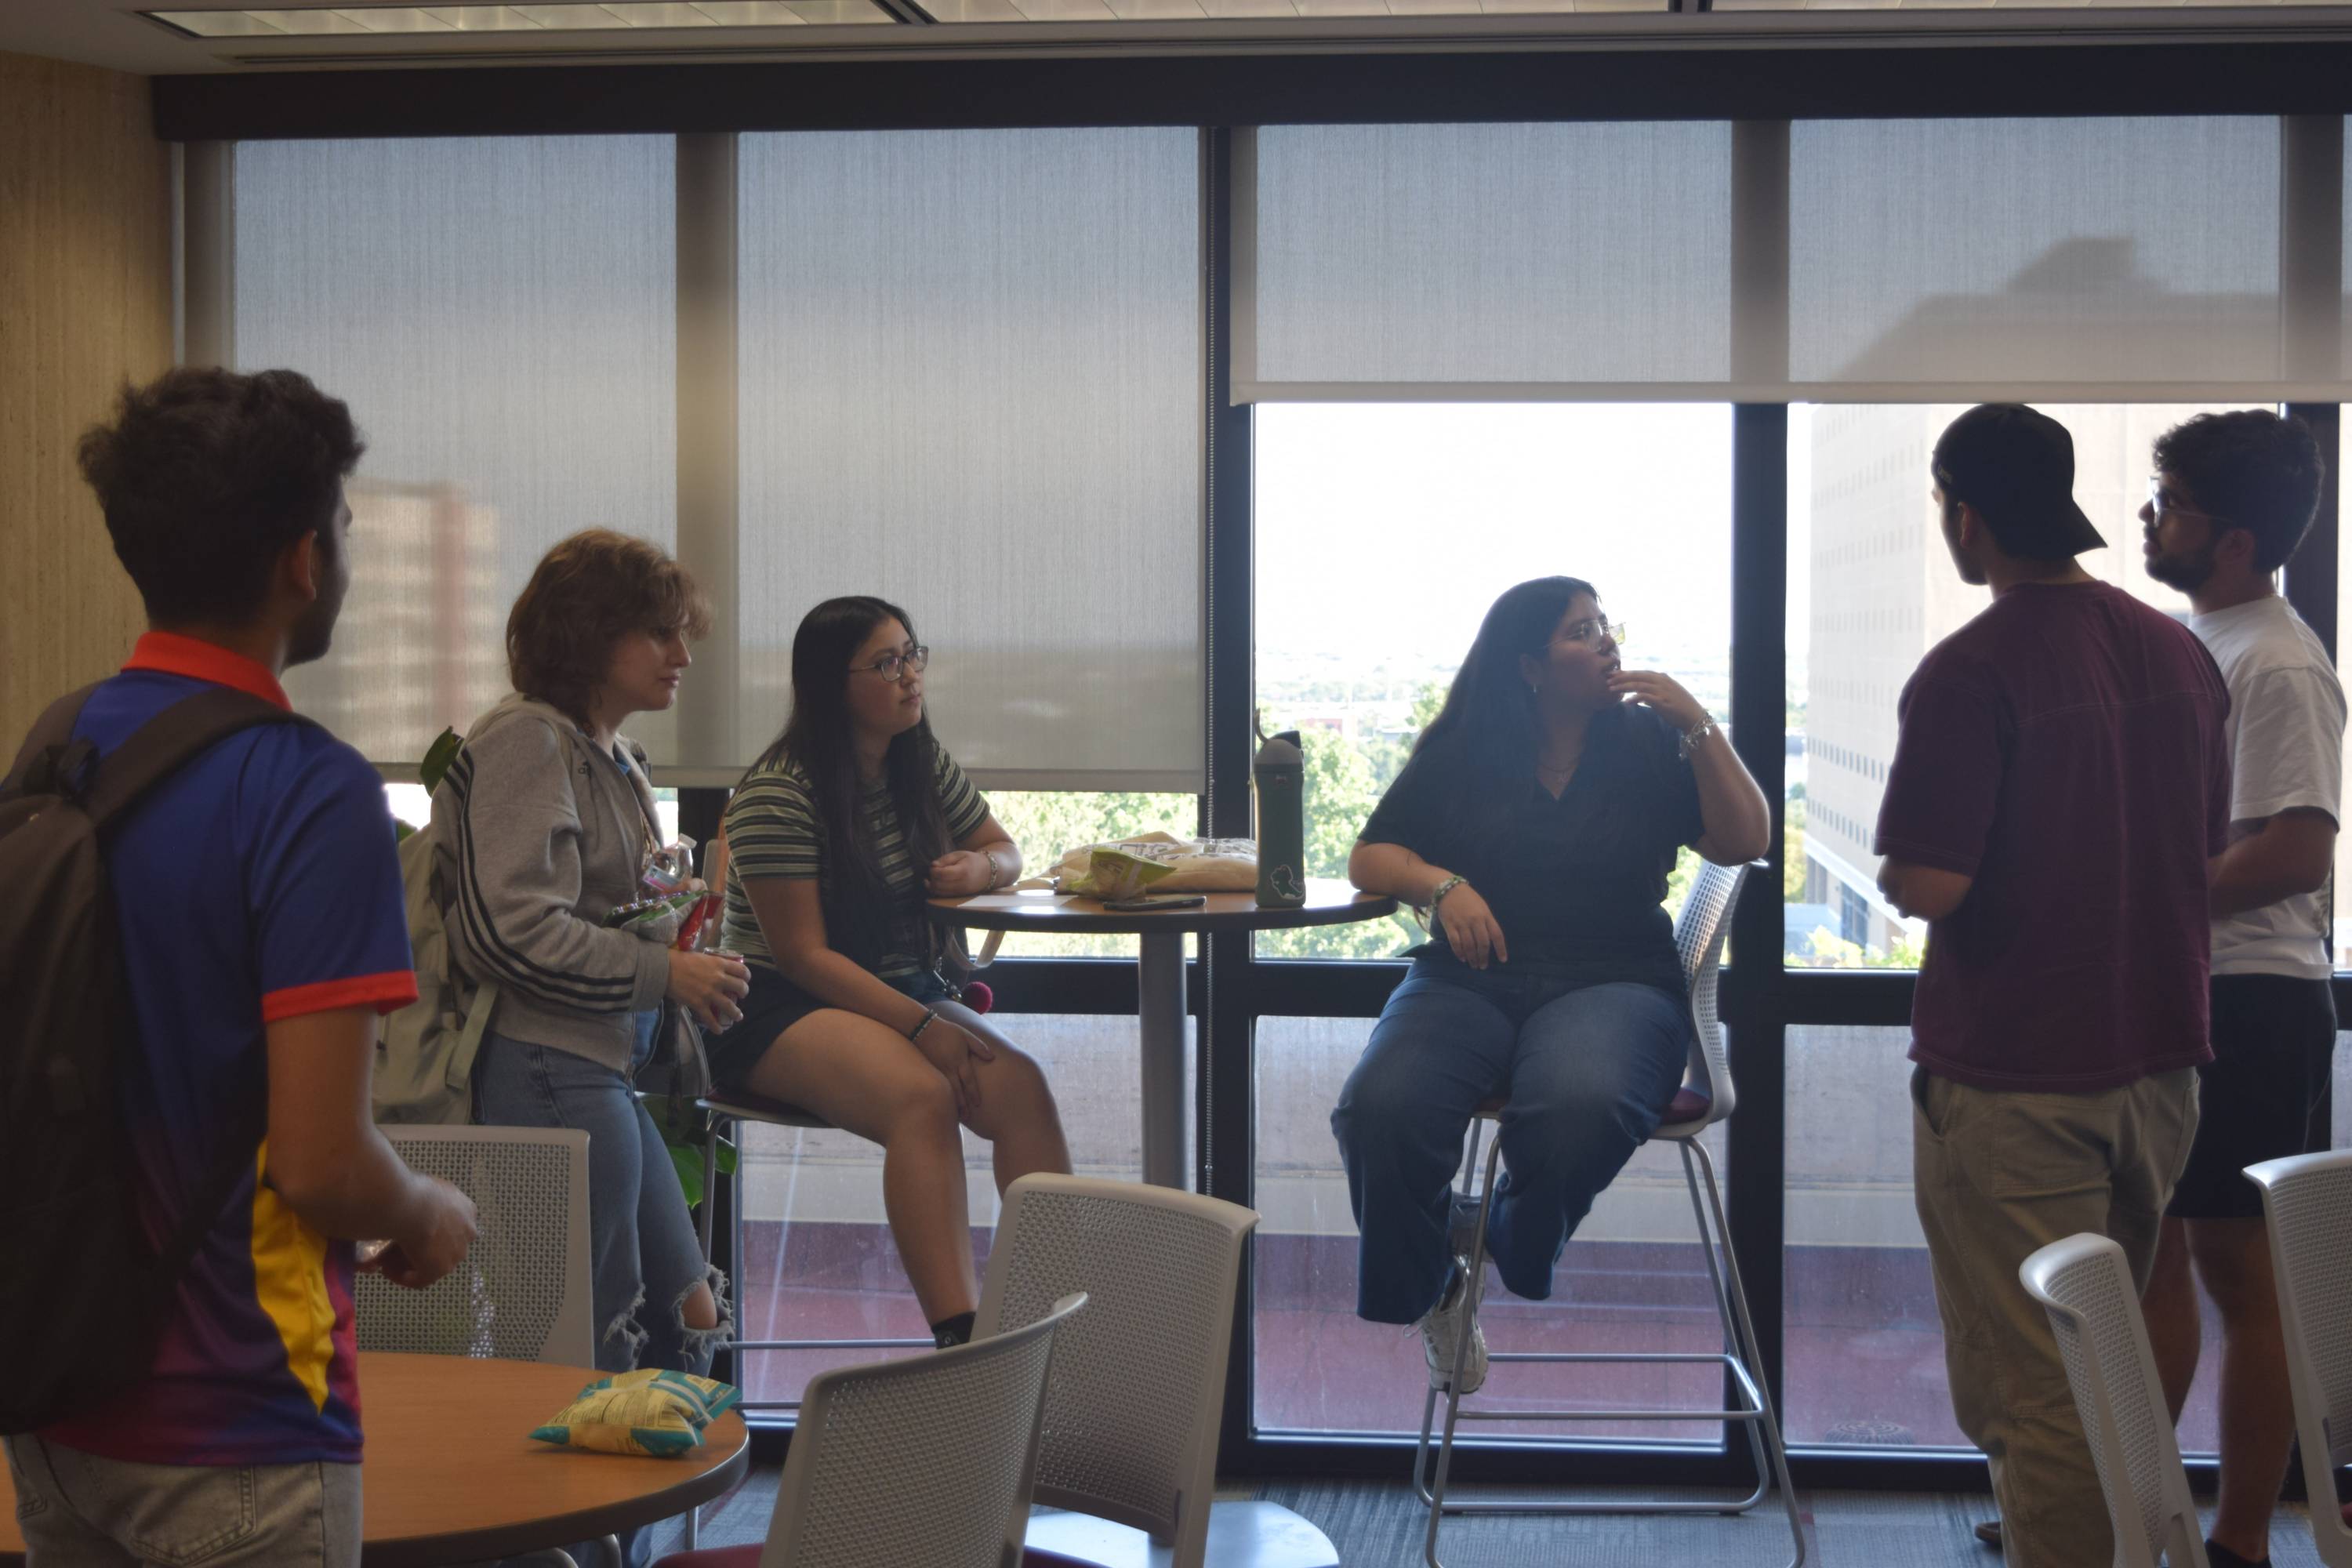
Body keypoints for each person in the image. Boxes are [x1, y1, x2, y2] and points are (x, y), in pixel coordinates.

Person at [2, 368, 477, 1568]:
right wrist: (428, 1211)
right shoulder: (308, 790)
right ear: (302, 560)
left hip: (57, 1387)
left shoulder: (60, 744)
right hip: (238, 1420)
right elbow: (321, 1163)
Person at [1875, 405, 2229, 1568]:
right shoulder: (2178, 651)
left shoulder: (1972, 668)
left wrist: (1901, 871)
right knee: (2105, 1369)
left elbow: (1929, 881)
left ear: (1966, 516)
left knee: (2047, 1389)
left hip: (2021, 1078)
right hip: (2158, 1062)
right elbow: (2198, 838)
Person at [1332, 575, 1770, 1393]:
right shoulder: (1469, 745)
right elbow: (1372, 855)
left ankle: (1493, 1233)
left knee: (1582, 1104)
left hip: (1616, 979)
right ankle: (1440, 1287)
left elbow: (1745, 839)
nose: (1606, 641)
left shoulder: (1643, 743)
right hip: (1470, 977)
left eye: (1605, 625)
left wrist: (1696, 722)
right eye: (1581, 630)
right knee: (1379, 1108)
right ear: (1531, 663)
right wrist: (1442, 886)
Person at [704, 595, 1070, 1351]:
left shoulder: (917, 761)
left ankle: (1053, 1322)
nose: (911, 677)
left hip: (903, 990)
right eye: (886, 663)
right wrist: (924, 1026)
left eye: (913, 655)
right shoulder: (778, 792)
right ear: (829, 686)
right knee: (920, 1096)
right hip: (778, 1003)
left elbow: (1008, 850)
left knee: (1022, 1087)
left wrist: (982, 866)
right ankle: (962, 1341)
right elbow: (804, 957)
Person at [439, 529, 743, 1384]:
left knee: (683, 1306)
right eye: (659, 632)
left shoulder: (612, 754)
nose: (683, 654)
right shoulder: (528, 742)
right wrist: (663, 971)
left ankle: (608, 1517)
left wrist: (681, 943)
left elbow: (600, 911)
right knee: (589, 1337)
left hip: (599, 1061)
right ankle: (575, 1522)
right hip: (547, 1062)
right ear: (587, 633)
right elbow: (511, 927)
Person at [2138, 411, 2339, 1568]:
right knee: (2159, 1251)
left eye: (2168, 500)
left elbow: (2295, 852)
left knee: (2240, 1272)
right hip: (2190, 990)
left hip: (2253, 1001)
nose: (2149, 517)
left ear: (2235, 535)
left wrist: (2136, 903)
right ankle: (2139, 1509)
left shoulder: (2277, 659)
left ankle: (2245, 1541)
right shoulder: (2199, 640)